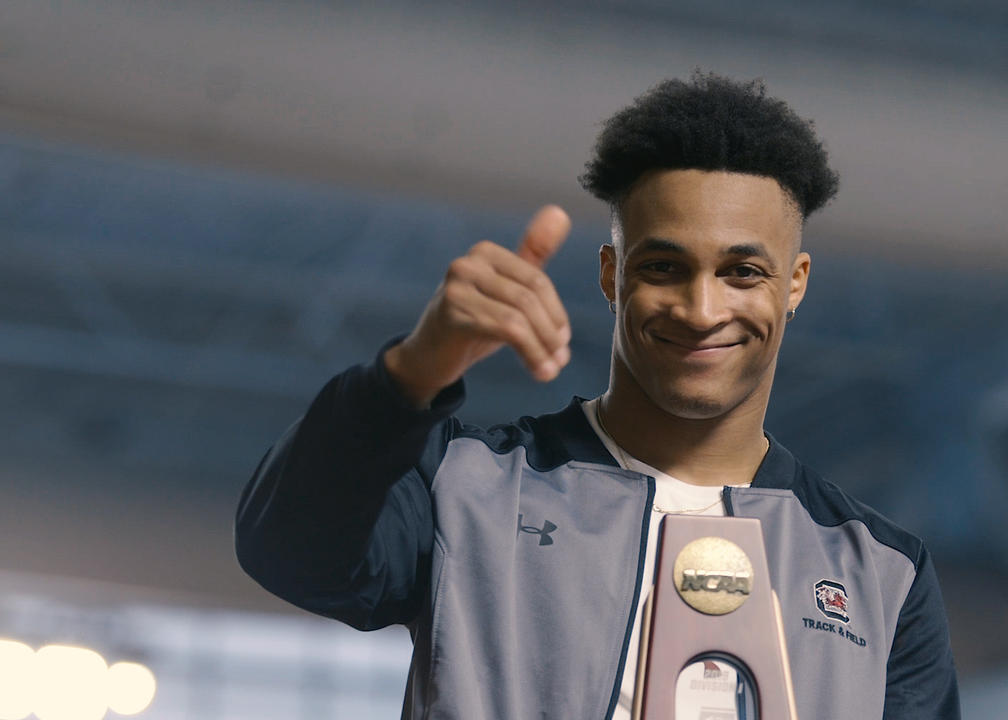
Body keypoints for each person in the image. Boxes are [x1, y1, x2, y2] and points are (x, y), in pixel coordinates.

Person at [235, 72, 960, 720]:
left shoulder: (881, 572)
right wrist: (411, 373)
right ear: (612, 274)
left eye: (742, 272)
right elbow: (290, 551)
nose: (702, 309)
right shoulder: (466, 491)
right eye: (665, 266)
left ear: (794, 282)